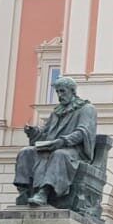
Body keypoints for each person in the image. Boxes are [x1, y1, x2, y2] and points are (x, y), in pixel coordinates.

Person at [14, 77, 98, 208]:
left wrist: (63, 141)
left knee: (60, 155)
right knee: (26, 152)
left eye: (63, 91)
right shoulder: (56, 112)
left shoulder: (87, 108)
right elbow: (46, 134)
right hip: (51, 147)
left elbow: (83, 132)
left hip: (75, 151)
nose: (60, 95)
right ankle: (25, 191)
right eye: (57, 92)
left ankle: (44, 192)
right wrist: (33, 132)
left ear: (72, 91)